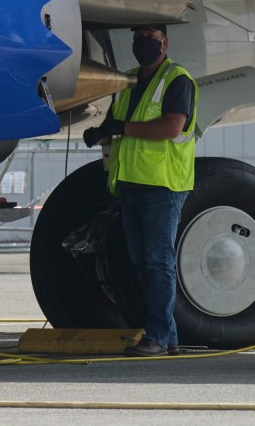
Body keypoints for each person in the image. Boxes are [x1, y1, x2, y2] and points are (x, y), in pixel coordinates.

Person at [83, 23, 199, 358]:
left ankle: (158, 337)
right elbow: (118, 128)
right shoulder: (130, 81)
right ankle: (168, 336)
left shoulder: (177, 80)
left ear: (165, 43)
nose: (143, 44)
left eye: (150, 38)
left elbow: (171, 127)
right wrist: (101, 134)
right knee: (143, 263)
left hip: (162, 185)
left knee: (157, 262)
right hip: (132, 185)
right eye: (138, 38)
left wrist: (122, 128)